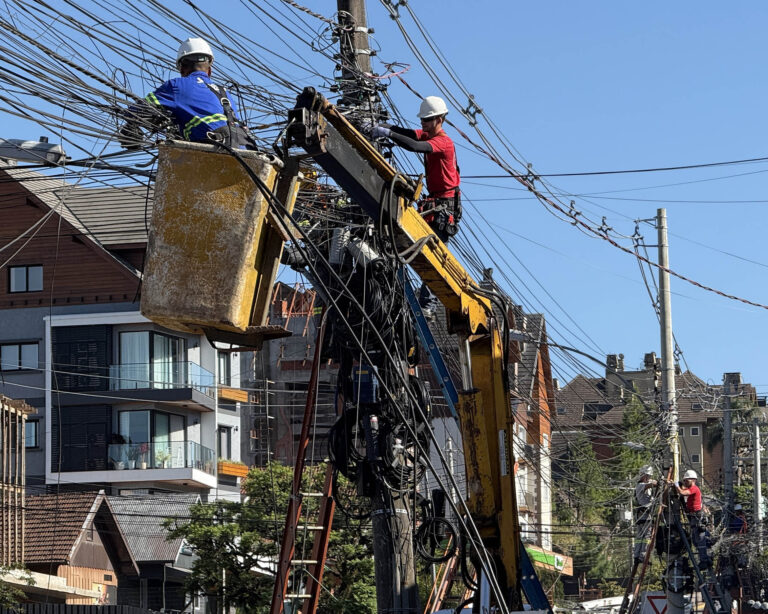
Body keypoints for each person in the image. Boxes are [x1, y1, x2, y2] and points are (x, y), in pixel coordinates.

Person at [369, 96, 460, 318]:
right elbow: (410, 134)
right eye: (423, 120)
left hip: (444, 207)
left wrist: (386, 133)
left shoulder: (443, 142)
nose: (423, 124)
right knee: (417, 246)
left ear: (440, 119)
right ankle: (421, 301)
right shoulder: (429, 133)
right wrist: (385, 126)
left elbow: (415, 146)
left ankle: (428, 304)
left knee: (433, 253)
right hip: (435, 203)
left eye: (428, 120)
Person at [119, 37, 254, 150]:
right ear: (209, 70)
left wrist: (130, 129)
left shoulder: (176, 86)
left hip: (213, 151)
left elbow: (137, 111)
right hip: (244, 150)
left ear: (182, 69)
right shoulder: (225, 92)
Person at [675, 468, 711, 568]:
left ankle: (704, 560)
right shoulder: (690, 488)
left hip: (697, 517)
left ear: (693, 480)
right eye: (684, 480)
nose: (685, 482)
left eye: (687, 480)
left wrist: (676, 485)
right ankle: (706, 559)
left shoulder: (694, 488)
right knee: (696, 541)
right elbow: (683, 491)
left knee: (700, 540)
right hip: (694, 517)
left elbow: (682, 493)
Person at [633, 465, 657, 565]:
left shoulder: (643, 485)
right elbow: (652, 484)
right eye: (648, 476)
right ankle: (643, 556)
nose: (649, 478)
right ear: (643, 475)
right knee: (647, 537)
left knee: (640, 537)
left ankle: (637, 556)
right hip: (644, 515)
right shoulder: (641, 485)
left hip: (641, 515)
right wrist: (657, 482)